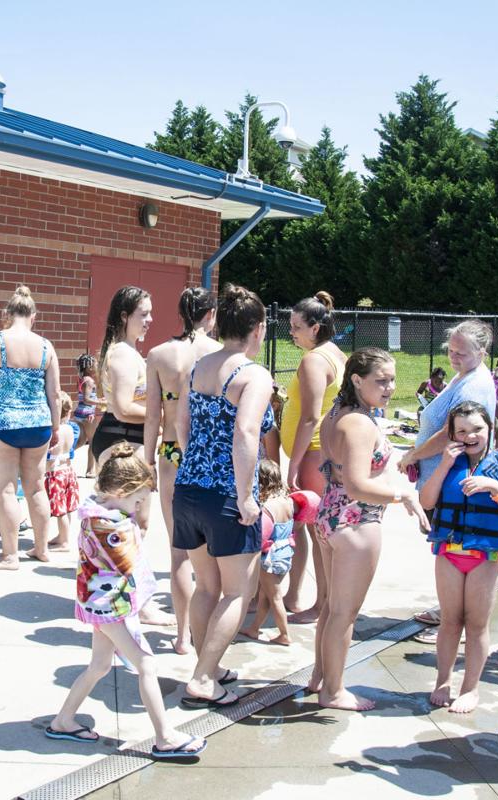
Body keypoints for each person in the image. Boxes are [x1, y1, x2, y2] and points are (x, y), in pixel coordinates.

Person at [45, 443, 206, 760]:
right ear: (119, 490)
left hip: (99, 604)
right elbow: (128, 563)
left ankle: (63, 721)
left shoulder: (96, 514)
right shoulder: (112, 526)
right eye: (138, 499)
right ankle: (165, 738)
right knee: (146, 664)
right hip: (112, 607)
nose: (139, 506)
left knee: (99, 665)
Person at [310, 348, 429, 710]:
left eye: (392, 379)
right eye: (381, 380)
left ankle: (320, 676)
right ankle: (333, 691)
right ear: (357, 380)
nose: (390, 387)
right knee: (344, 613)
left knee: (332, 608)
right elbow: (358, 485)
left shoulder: (337, 414)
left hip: (330, 518)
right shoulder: (360, 423)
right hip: (356, 523)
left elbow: (331, 470)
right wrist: (402, 495)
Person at [173, 284, 274, 709]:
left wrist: (189, 463)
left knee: (206, 587)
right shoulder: (254, 375)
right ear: (258, 328)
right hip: (226, 497)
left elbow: (182, 426)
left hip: (188, 490)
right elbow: (247, 433)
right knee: (237, 593)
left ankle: (208, 665)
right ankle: (202, 677)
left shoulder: (198, 367)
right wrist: (246, 495)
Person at [419, 401, 498, 713]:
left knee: (477, 623)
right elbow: (427, 500)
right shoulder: (448, 464)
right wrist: (441, 466)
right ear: (452, 435)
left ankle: (471, 689)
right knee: (451, 620)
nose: (470, 436)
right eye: (462, 431)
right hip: (450, 551)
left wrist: (494, 487)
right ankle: (442, 680)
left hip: (486, 554)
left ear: (489, 430)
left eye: (477, 429)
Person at [398, 319, 497, 636]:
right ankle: (451, 612)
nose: (454, 357)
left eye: (462, 352)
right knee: (449, 549)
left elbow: (450, 433)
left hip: (455, 480)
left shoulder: (474, 384)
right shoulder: (465, 375)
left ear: (481, 353)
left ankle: (456, 620)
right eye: (451, 350)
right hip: (443, 476)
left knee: (456, 548)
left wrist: (413, 454)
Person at [142, 287, 220, 654]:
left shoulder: (158, 354)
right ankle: (206, 630)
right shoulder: (218, 355)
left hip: (171, 452)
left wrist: (146, 460)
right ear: (211, 315)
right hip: (209, 454)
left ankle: (181, 637)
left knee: (179, 551)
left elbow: (153, 415)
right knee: (212, 551)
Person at [0, 285, 59, 570]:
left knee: (6, 490)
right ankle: (41, 549)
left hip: (5, 424)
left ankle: (10, 555)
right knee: (36, 488)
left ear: (8, 314)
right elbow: (54, 393)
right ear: (34, 315)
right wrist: (55, 428)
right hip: (39, 424)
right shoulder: (46, 346)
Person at [279, 291, 346, 627]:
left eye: (296, 326)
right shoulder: (333, 354)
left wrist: (292, 464)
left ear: (315, 327)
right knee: (317, 529)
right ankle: (315, 599)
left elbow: (310, 417)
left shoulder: (314, 360)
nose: (291, 332)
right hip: (320, 452)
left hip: (313, 454)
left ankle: (322, 604)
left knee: (320, 533)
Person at [238, 460, 321, 646]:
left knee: (274, 597)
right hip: (285, 552)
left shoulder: (267, 507)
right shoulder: (288, 502)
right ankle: (254, 628)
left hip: (270, 557)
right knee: (266, 595)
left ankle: (284, 634)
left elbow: (261, 535)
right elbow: (298, 523)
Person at [91, 287, 153, 477]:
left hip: (125, 438)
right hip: (121, 439)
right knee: (130, 506)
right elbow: (123, 409)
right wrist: (162, 415)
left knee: (132, 505)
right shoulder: (123, 354)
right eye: (144, 314)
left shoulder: (127, 351)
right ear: (124, 317)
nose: (150, 319)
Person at [45, 391, 81, 553]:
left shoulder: (56, 432)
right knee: (67, 507)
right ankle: (62, 535)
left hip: (56, 473)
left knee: (60, 511)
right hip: (69, 472)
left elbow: (51, 456)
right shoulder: (71, 429)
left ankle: (64, 541)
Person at [73, 354, 101, 477]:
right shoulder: (89, 381)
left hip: (80, 413)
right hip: (88, 414)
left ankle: (60, 455)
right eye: (94, 364)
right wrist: (102, 402)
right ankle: (90, 471)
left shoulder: (82, 379)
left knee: (81, 441)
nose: (96, 366)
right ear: (89, 367)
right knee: (93, 442)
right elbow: (86, 399)